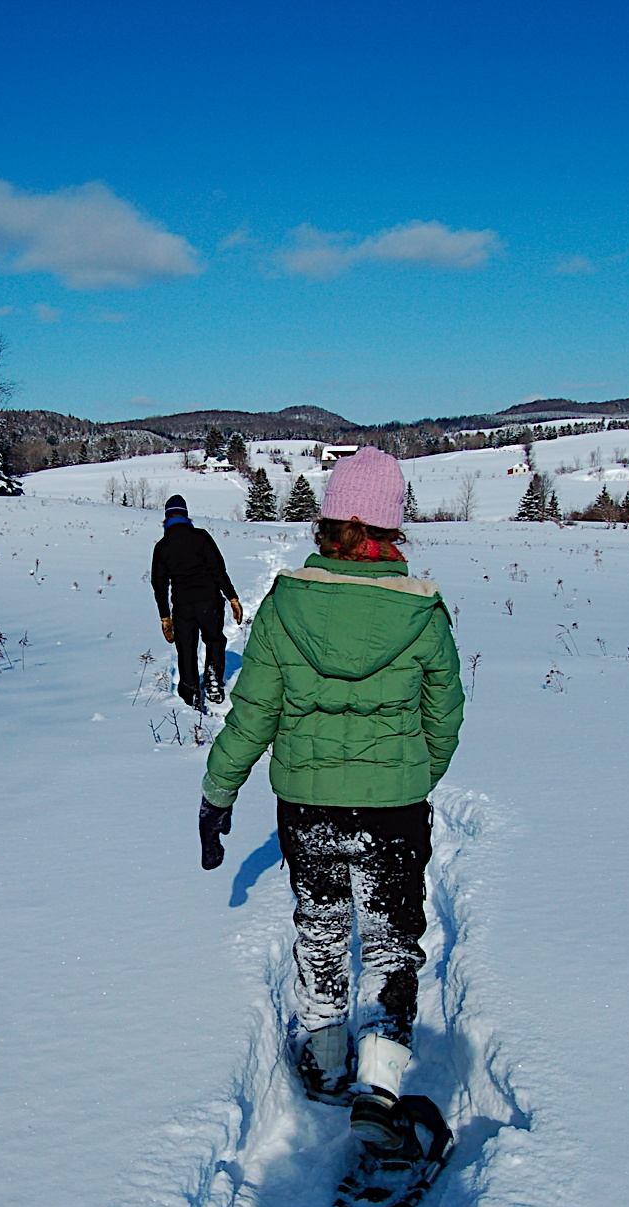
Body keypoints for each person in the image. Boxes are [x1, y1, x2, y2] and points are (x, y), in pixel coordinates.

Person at [198, 447, 464, 1154]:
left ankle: (322, 1058)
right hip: (395, 807)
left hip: (307, 806)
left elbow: (252, 713)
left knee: (320, 926)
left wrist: (218, 792)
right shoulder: (423, 612)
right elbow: (444, 719)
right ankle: (378, 1085)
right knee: (390, 937)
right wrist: (411, 777)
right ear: (390, 527)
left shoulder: (285, 605)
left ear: (328, 524)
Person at [152, 494, 243, 706]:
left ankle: (189, 691)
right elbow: (218, 570)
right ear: (186, 515)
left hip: (183, 607)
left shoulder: (162, 546)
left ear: (166, 518)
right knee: (214, 640)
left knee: (186, 647)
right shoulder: (201, 537)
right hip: (210, 602)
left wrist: (165, 617)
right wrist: (232, 597)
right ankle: (213, 681)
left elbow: (159, 585)